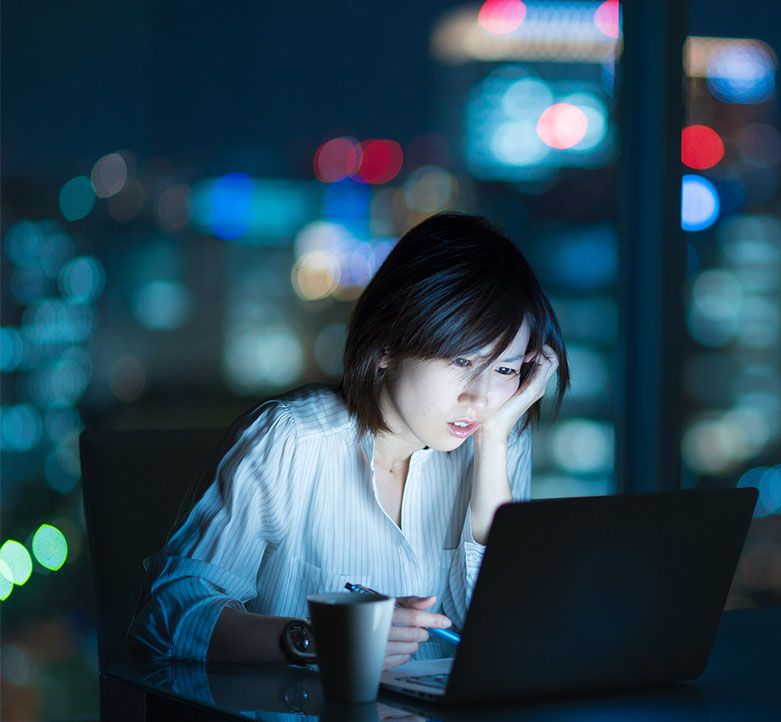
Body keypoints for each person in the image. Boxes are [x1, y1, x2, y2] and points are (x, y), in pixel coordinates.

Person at [128, 212, 570, 666]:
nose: (479, 397)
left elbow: (501, 629)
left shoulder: (493, 436)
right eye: (461, 361)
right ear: (387, 346)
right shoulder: (292, 440)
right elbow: (166, 619)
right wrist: (327, 638)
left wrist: (495, 442)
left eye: (505, 369)